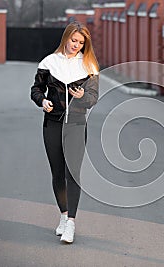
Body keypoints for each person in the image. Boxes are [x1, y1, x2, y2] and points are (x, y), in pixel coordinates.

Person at [30, 21, 99, 244]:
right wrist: (43, 101)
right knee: (58, 174)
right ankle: (62, 215)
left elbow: (93, 99)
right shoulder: (49, 62)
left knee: (73, 175)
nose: (76, 45)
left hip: (77, 125)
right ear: (66, 38)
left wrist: (81, 97)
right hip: (52, 124)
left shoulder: (89, 66)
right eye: (73, 40)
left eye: (81, 42)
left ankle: (71, 223)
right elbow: (36, 89)